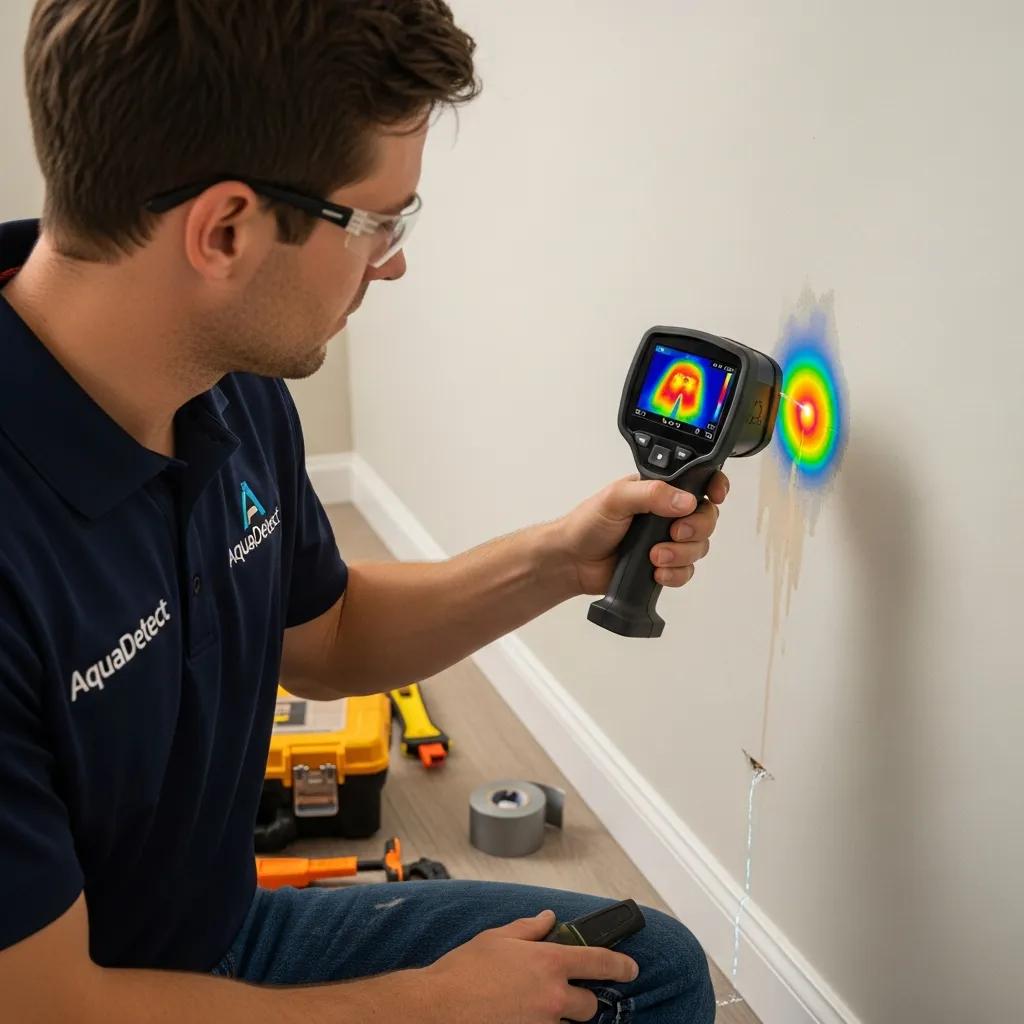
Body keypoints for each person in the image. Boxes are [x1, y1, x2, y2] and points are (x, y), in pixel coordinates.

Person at [0, 3, 727, 1022]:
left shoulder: (231, 385)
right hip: (85, 992)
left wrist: (559, 560)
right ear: (226, 230)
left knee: (645, 974)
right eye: (377, 221)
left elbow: (324, 634)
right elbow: (46, 1004)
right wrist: (423, 1003)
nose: (391, 262)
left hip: (216, 933)